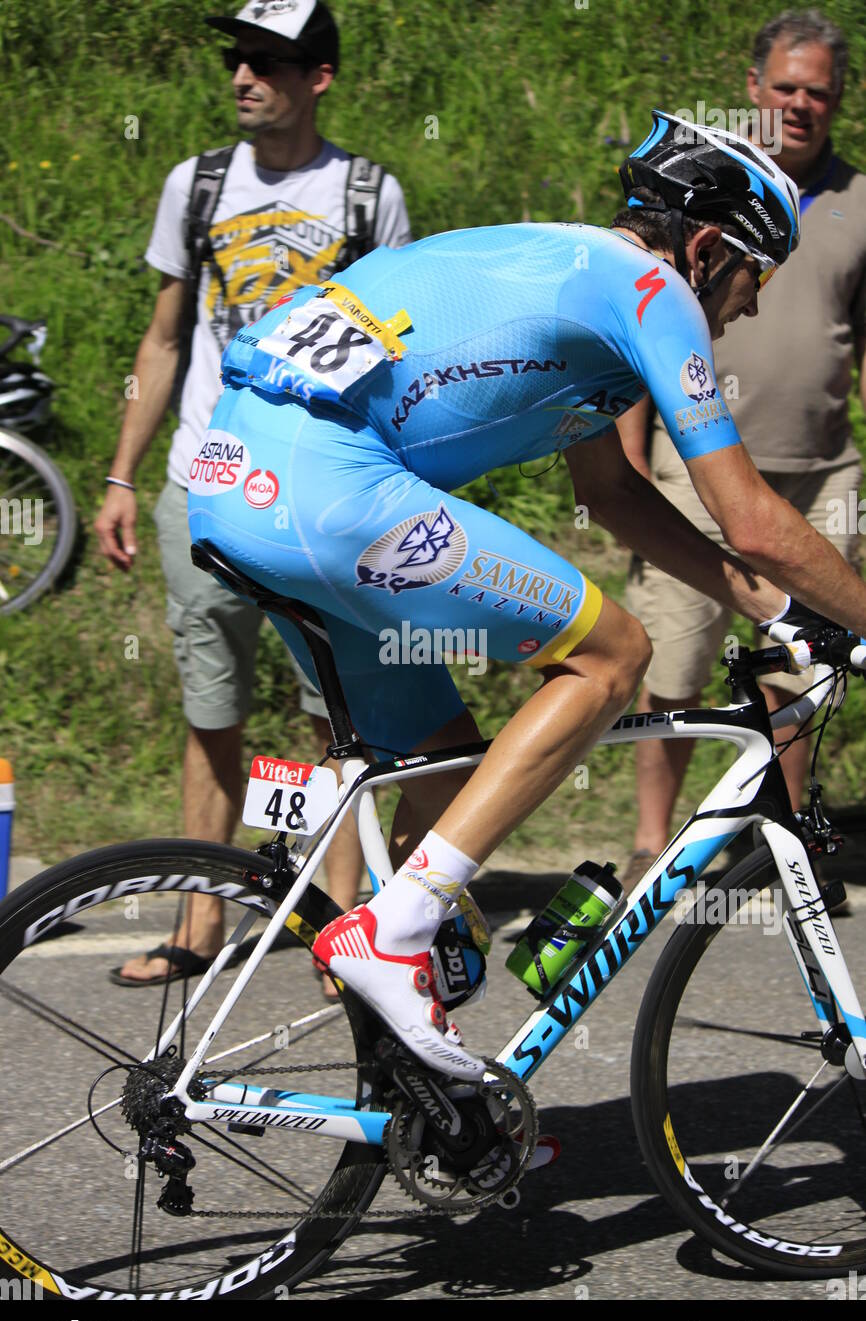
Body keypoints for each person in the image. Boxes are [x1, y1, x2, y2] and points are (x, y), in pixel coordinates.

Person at [188, 110, 866, 1080]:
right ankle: (390, 931)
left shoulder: (568, 270)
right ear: (708, 246)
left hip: (234, 478)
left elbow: (609, 492)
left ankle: (437, 1107)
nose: (747, 309)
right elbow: (748, 514)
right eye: (753, 279)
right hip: (321, 484)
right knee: (612, 654)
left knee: (452, 790)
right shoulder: (650, 287)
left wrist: (765, 606)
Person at [93, 0, 412, 985]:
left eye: (266, 61)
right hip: (202, 483)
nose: (241, 77)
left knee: (338, 719)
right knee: (210, 711)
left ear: (318, 76)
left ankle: (345, 931)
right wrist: (119, 475)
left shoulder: (367, 196)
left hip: (315, 496)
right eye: (236, 59)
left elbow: (399, 351)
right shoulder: (192, 187)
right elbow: (164, 339)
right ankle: (197, 929)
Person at [621, 10, 866, 889]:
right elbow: (635, 311)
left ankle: (782, 839)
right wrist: (622, 470)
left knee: (802, 661)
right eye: (787, 87)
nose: (802, 104)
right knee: (674, 658)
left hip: (820, 467)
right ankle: (655, 846)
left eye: (820, 92)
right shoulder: (700, 187)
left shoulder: (860, 199)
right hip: (697, 465)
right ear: (755, 88)